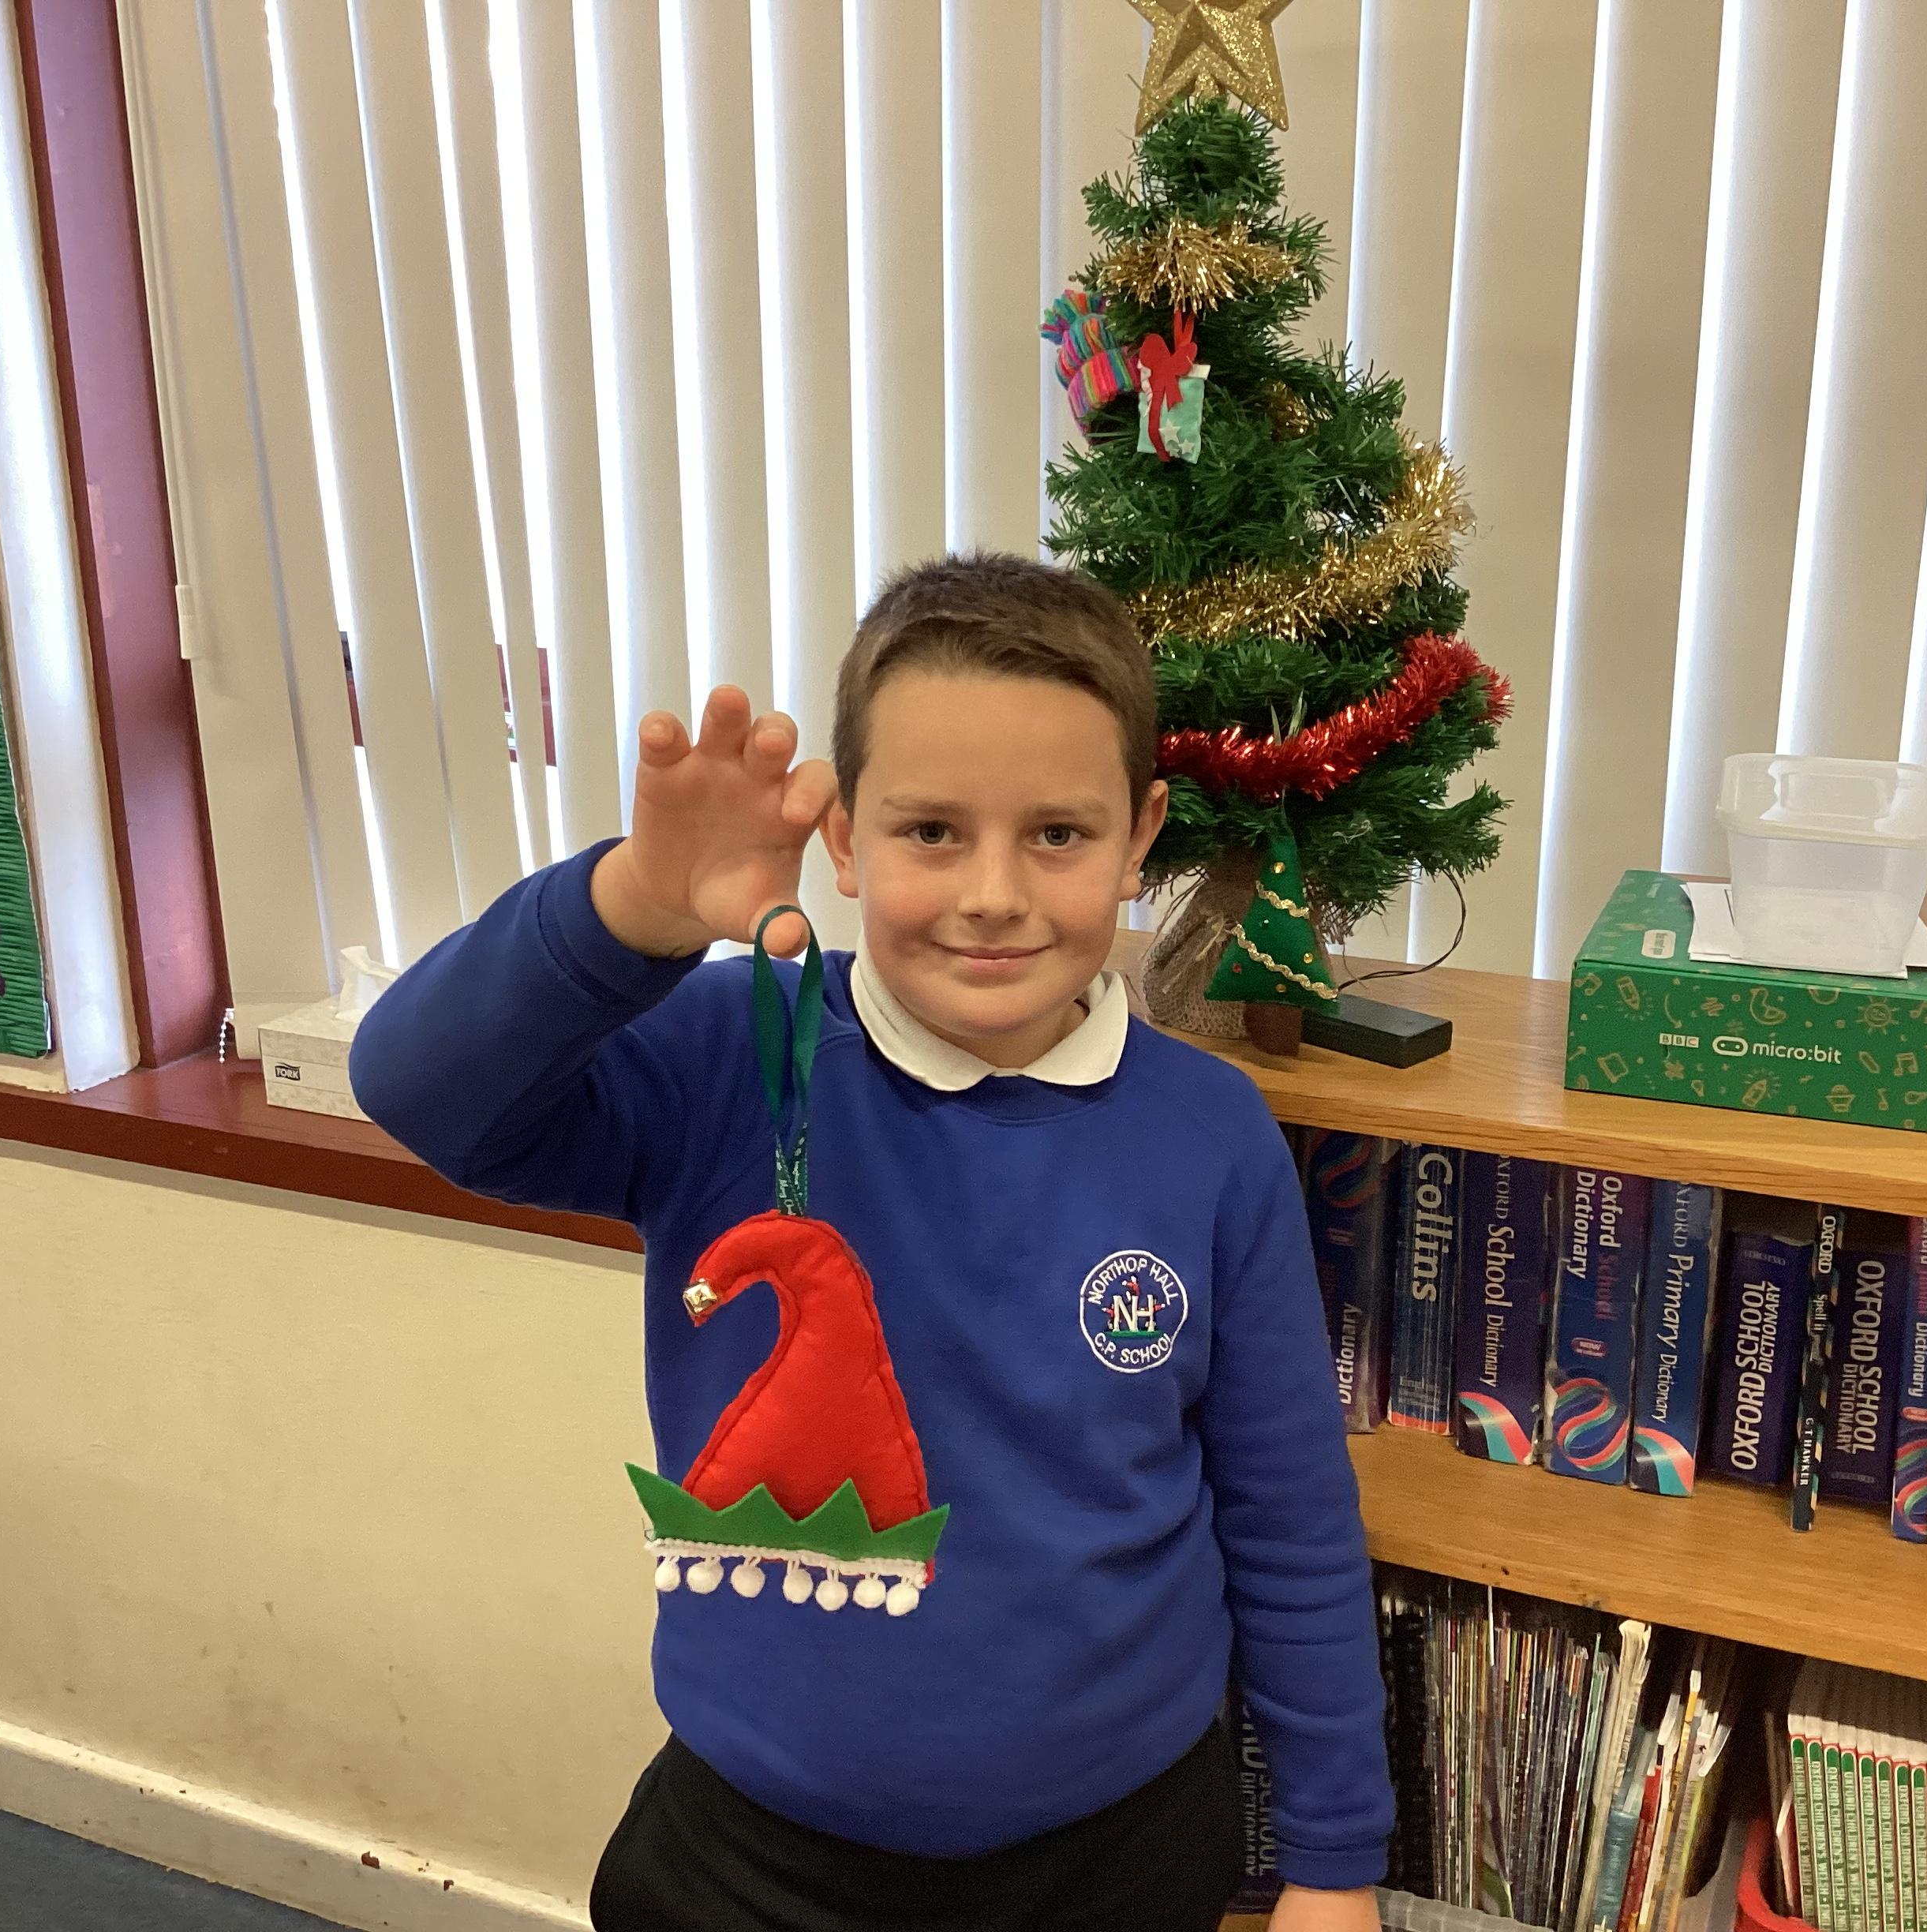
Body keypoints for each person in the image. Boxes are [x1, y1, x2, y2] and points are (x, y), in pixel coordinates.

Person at [353, 554, 1387, 1932]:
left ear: (1141, 834)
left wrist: (1334, 1861)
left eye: (1059, 834)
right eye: (932, 831)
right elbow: (417, 1087)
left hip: (1116, 1853)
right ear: (842, 837)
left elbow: (1289, 1520)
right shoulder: (735, 1055)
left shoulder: (1211, 1135)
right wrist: (632, 908)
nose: (994, 893)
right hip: (755, 1854)